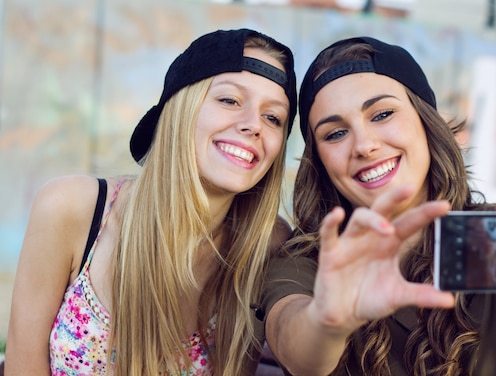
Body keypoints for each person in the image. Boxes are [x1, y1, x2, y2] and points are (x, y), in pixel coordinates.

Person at [260, 36, 496, 375]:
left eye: (382, 114)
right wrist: (328, 319)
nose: (364, 145)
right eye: (335, 133)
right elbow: (297, 346)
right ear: (319, 161)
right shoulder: (308, 264)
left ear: (427, 122)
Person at [5, 28, 297, 375]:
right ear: (181, 108)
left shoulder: (267, 244)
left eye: (273, 117)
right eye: (230, 100)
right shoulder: (74, 209)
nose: (253, 125)